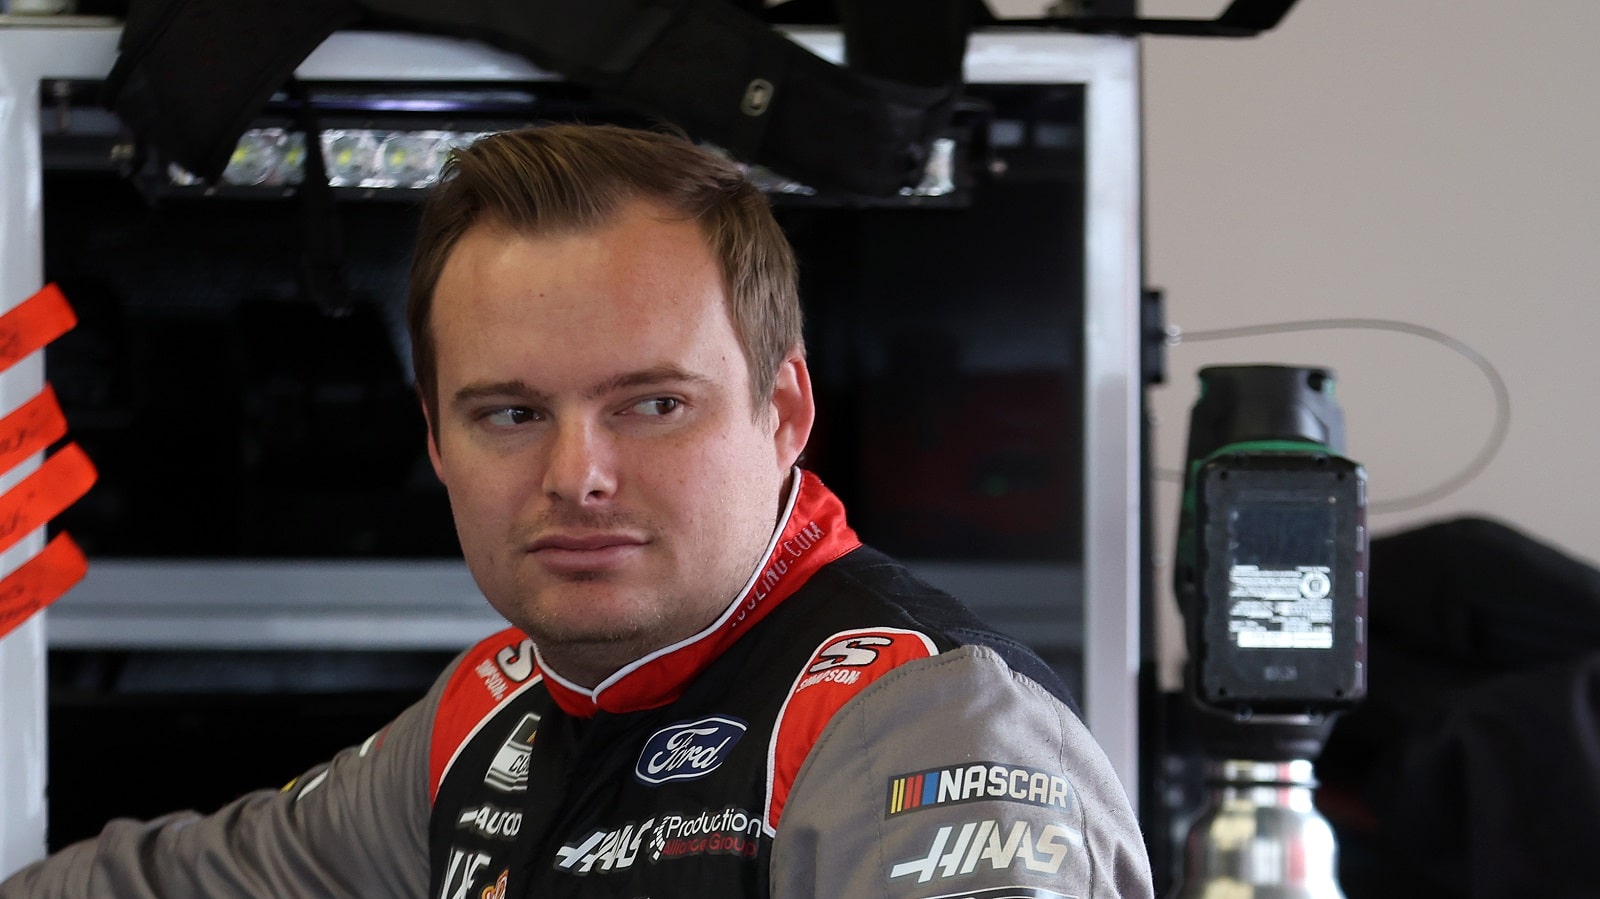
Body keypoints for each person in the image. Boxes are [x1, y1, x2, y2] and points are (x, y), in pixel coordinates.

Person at [0, 123, 1153, 898]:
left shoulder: (925, 722)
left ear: (783, 407)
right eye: (508, 413)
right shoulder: (487, 716)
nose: (577, 473)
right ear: (436, 440)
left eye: (651, 403)